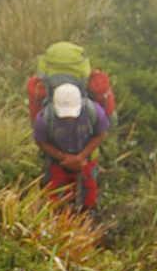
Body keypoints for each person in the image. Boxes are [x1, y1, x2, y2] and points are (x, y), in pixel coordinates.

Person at [33, 80, 108, 211]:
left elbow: (100, 134)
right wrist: (62, 157)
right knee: (55, 197)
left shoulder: (94, 111)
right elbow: (41, 141)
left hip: (86, 159)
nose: (69, 118)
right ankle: (59, 219)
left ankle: (87, 216)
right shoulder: (44, 118)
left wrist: (80, 157)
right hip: (57, 162)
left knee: (88, 192)